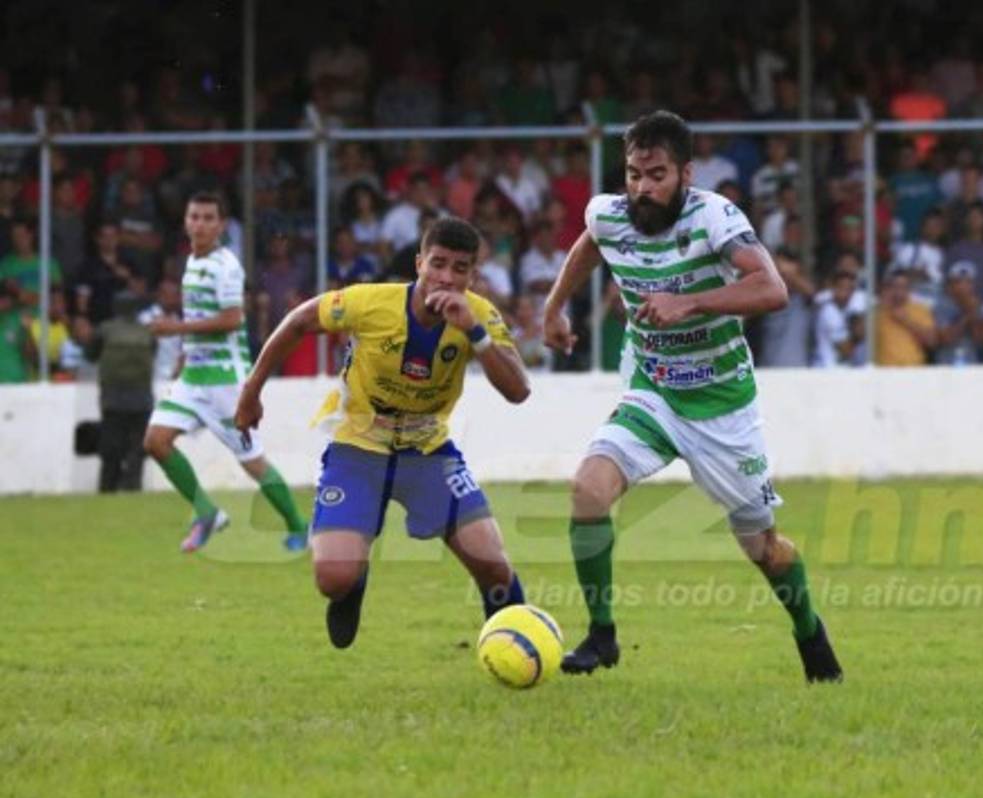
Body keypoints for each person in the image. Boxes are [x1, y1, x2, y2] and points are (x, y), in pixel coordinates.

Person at [541, 110, 842, 683]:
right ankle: (602, 635)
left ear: (685, 173)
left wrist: (693, 302)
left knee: (764, 549)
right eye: (633, 174)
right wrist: (554, 309)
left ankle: (810, 632)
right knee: (588, 488)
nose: (641, 188)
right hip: (653, 388)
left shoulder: (715, 217)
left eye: (656, 174)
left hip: (722, 404)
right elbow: (589, 244)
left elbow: (773, 289)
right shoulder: (611, 214)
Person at [234, 218, 532, 650]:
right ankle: (353, 582)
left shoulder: (479, 316)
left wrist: (476, 335)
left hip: (428, 450)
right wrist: (251, 392)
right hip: (358, 447)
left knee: (493, 566)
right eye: (439, 264)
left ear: (473, 275)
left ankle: (517, 649)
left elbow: (519, 390)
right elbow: (298, 321)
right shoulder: (371, 303)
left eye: (461, 268)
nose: (447, 277)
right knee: (333, 578)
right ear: (419, 263)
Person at [142, 192, 308, 553]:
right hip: (194, 378)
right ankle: (207, 513)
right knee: (156, 441)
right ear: (186, 222)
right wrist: (185, 356)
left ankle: (298, 525)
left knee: (252, 461)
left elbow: (233, 319)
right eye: (194, 216)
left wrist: (176, 329)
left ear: (219, 225)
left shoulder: (226, 265)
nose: (199, 224)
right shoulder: (191, 263)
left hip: (225, 381)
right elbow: (201, 318)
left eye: (207, 218)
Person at [84, 290, 155, 492]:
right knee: (137, 449)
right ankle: (133, 488)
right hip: (142, 397)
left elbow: (90, 355)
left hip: (113, 398)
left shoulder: (105, 330)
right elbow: (154, 352)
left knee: (111, 448)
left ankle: (107, 488)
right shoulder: (146, 332)